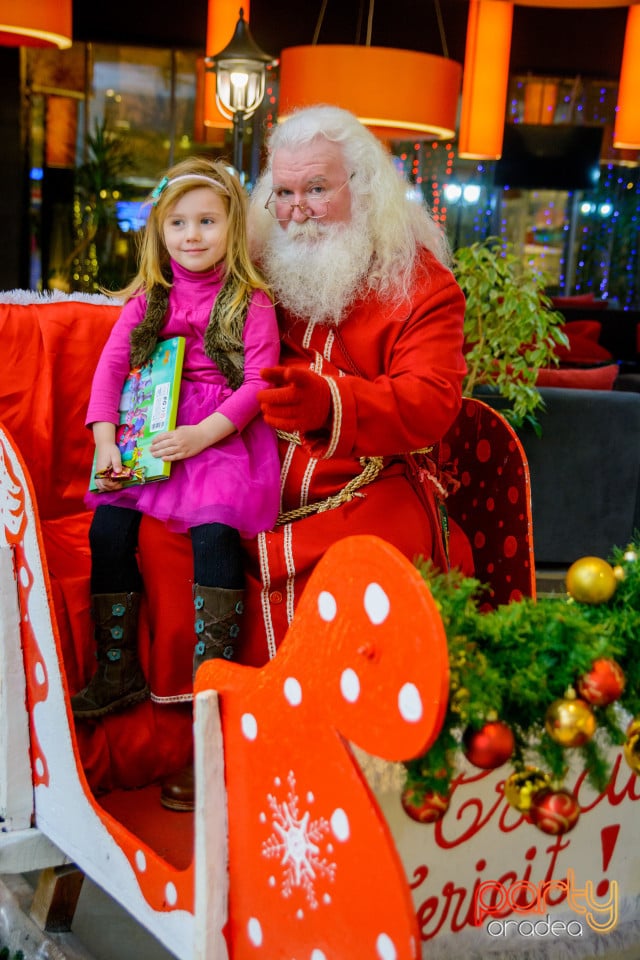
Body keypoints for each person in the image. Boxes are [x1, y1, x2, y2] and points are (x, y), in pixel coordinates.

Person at [239, 104, 468, 664]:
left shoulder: (421, 284)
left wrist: (330, 403)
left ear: (362, 188)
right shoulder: (260, 265)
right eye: (285, 193)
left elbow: (433, 400)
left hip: (366, 484)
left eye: (316, 189)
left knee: (372, 573)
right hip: (252, 482)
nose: (297, 212)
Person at [71, 158, 280, 734]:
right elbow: (111, 369)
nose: (192, 236)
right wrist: (106, 442)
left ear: (233, 227)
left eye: (207, 222)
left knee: (214, 533)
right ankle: (117, 672)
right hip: (149, 430)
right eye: (179, 224)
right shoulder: (149, 299)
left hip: (219, 438)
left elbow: (260, 382)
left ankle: (215, 684)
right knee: (106, 529)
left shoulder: (250, 300)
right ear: (160, 232)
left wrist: (203, 434)